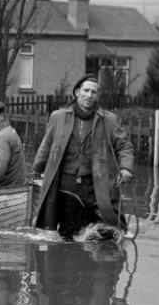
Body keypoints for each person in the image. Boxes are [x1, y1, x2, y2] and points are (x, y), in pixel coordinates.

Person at [32, 77, 134, 240]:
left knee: (108, 231)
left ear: (97, 96)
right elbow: (47, 144)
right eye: (86, 90)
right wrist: (37, 169)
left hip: (96, 182)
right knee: (67, 233)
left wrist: (126, 168)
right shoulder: (58, 117)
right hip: (66, 182)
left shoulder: (108, 119)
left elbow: (124, 145)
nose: (89, 95)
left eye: (94, 92)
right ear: (77, 92)